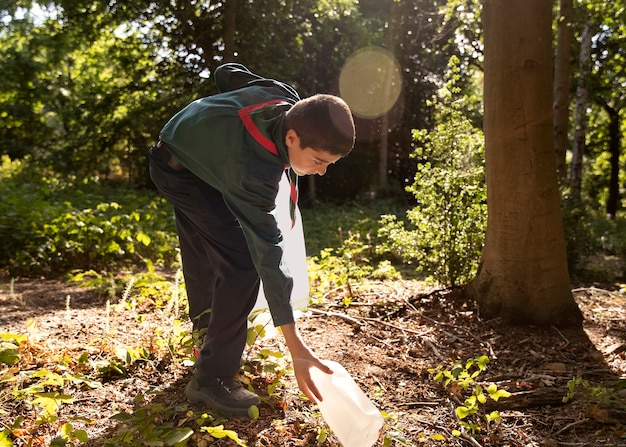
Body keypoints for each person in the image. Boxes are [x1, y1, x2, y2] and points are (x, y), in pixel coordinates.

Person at [148, 63, 356, 416]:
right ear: (292, 137)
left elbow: (228, 73)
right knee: (242, 264)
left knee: (211, 252)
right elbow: (269, 257)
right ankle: (211, 379)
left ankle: (206, 340)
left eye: (329, 165)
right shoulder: (253, 175)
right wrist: (296, 345)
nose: (321, 171)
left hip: (191, 151)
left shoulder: (285, 98)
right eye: (318, 161)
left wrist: (214, 119)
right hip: (178, 173)